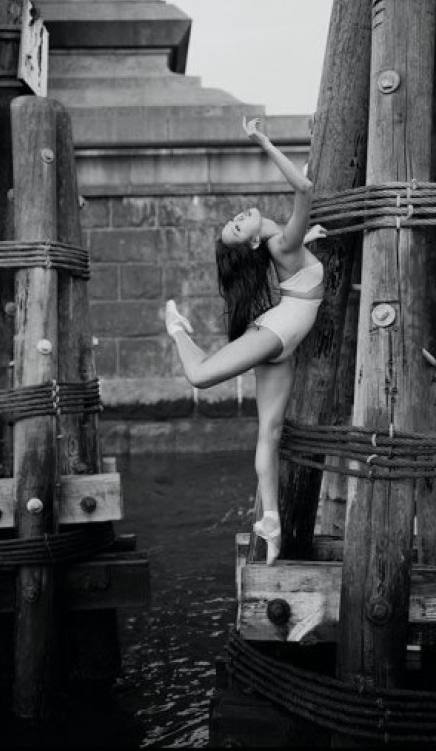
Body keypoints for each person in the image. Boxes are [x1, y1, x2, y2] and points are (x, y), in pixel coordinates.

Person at [165, 117, 327, 565]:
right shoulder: (281, 247)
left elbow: (292, 242)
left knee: (270, 434)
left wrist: (308, 236)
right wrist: (262, 141)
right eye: (237, 228)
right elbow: (306, 190)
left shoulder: (282, 243)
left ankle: (270, 521)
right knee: (199, 376)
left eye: (234, 221)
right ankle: (176, 328)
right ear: (254, 244)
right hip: (276, 332)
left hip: (284, 339)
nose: (238, 219)